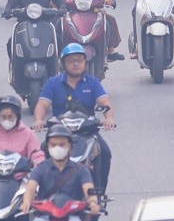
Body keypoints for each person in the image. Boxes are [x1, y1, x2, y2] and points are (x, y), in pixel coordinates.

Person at [32, 43, 116, 191]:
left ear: (85, 62)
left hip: (87, 131)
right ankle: (42, 191)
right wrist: (38, 120)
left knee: (104, 152)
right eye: (71, 60)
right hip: (59, 131)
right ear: (63, 63)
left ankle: (99, 191)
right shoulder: (53, 83)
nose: (75, 64)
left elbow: (105, 102)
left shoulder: (93, 82)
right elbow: (42, 105)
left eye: (79, 60)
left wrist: (109, 118)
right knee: (40, 154)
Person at [18, 124, 101, 217]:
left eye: (61, 144)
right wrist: (26, 203)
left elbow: (89, 189)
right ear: (48, 147)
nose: (57, 148)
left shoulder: (82, 170)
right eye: (53, 145)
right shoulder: (40, 169)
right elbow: (30, 189)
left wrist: (93, 202)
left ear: (70, 146)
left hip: (73, 218)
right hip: (44, 218)